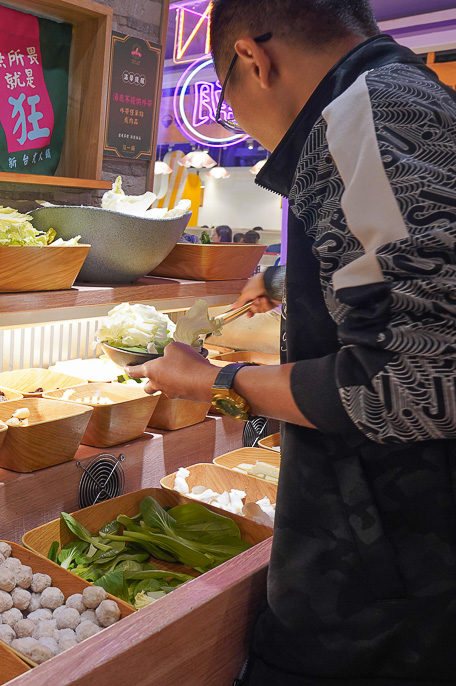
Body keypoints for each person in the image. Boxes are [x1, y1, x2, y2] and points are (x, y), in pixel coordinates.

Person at [124, 1, 456, 683]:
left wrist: (213, 382)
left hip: (385, 582)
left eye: (225, 90)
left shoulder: (363, 115)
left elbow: (407, 385)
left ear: (253, 59)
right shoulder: (409, 94)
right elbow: (411, 261)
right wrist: (283, 276)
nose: (237, 116)